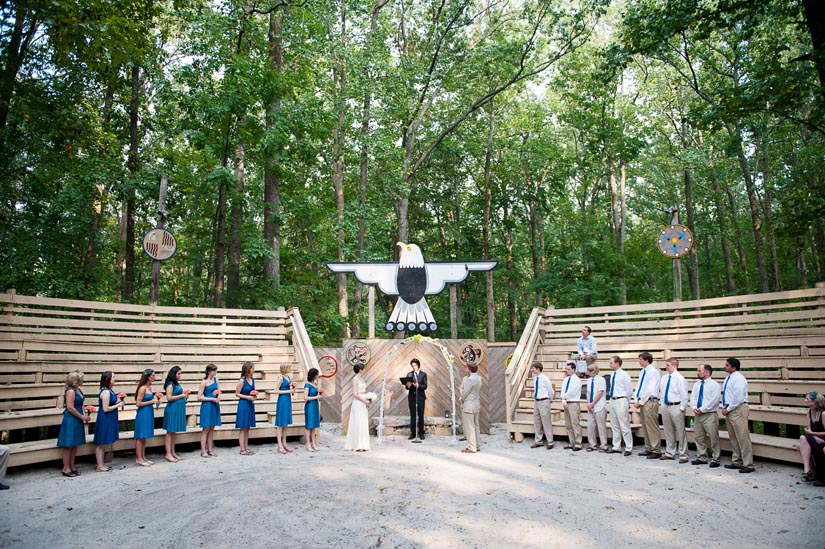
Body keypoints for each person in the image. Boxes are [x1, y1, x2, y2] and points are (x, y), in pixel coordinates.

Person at [721, 357, 754, 473]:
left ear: (733, 367)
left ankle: (748, 464)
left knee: (742, 436)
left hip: (737, 408)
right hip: (730, 409)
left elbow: (738, 397)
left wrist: (728, 408)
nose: (725, 367)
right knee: (734, 436)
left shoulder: (739, 378)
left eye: (727, 365)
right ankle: (737, 460)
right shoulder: (728, 378)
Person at [57, 370, 90, 477]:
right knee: (69, 444)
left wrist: (84, 415)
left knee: (75, 444)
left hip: (78, 418)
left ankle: (72, 465)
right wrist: (81, 416)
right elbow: (70, 407)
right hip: (71, 419)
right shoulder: (70, 391)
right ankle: (66, 468)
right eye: (81, 379)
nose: (83, 381)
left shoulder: (78, 390)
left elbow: (81, 404)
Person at [690, 363, 722, 468]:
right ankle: (702, 456)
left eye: (699, 371)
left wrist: (702, 409)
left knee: (713, 437)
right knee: (699, 436)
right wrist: (694, 407)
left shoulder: (715, 385)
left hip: (709, 414)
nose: (697, 372)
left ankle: (716, 458)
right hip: (698, 414)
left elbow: (714, 400)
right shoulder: (697, 384)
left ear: (707, 372)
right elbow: (693, 397)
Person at [659, 358, 689, 463]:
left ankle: (683, 454)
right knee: (668, 430)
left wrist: (682, 408)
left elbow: (684, 394)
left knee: (680, 431)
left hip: (676, 405)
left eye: (668, 365)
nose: (666, 367)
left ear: (674, 365)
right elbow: (662, 392)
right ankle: (670, 452)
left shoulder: (680, 378)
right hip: (666, 405)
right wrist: (662, 404)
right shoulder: (664, 378)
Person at [93, 371, 124, 472]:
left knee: (103, 442)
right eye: (113, 377)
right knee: (101, 441)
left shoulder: (110, 390)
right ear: (107, 379)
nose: (115, 379)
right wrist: (118, 405)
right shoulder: (105, 391)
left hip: (110, 417)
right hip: (105, 418)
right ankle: (100, 465)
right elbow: (105, 408)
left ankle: (101, 464)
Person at [634, 352, 661, 459]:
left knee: (651, 426)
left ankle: (656, 449)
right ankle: (648, 447)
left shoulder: (653, 372)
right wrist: (636, 399)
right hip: (642, 400)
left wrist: (641, 401)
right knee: (645, 425)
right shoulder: (642, 372)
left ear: (647, 360)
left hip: (649, 400)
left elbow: (649, 389)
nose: (639, 361)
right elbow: (640, 386)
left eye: (641, 359)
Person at [607, 356, 633, 455]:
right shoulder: (613, 374)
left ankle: (628, 447)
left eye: (611, 362)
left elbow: (629, 389)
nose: (610, 364)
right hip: (613, 399)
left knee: (624, 424)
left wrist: (626, 400)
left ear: (617, 363)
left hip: (621, 399)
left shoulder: (624, 374)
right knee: (614, 424)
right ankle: (616, 446)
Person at [162, 366, 188, 463]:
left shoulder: (176, 384)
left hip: (178, 408)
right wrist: (181, 395)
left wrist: (184, 396)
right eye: (178, 374)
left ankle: (173, 452)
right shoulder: (170, 384)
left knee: (173, 432)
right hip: (172, 409)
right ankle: (168, 453)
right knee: (170, 432)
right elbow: (169, 398)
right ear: (174, 374)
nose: (180, 376)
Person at [797, 392, 825, 481]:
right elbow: (808, 430)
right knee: (800, 443)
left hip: (823, 440)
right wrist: (813, 435)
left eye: (807, 399)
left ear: (814, 402)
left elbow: (810, 432)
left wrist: (814, 435)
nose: (804, 400)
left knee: (802, 440)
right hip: (814, 438)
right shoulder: (809, 411)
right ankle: (810, 471)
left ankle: (809, 472)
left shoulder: (823, 414)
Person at [134, 369, 159, 467]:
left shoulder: (149, 387)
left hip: (149, 412)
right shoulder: (142, 388)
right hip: (143, 413)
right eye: (152, 375)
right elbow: (138, 403)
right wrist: (151, 402)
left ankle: (143, 457)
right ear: (147, 377)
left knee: (144, 436)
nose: (154, 377)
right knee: (140, 436)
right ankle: (139, 458)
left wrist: (155, 402)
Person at [344, 363, 371, 452]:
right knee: (358, 422)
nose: (364, 370)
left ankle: (363, 444)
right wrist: (364, 400)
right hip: (358, 402)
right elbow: (355, 394)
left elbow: (363, 391)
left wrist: (368, 397)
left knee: (362, 422)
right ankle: (357, 444)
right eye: (363, 369)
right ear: (360, 370)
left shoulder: (361, 379)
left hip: (363, 401)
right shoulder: (355, 379)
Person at [198, 364, 222, 458]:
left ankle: (210, 449)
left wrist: (218, 397)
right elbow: (199, 397)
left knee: (212, 428)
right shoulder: (204, 382)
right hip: (207, 405)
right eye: (214, 371)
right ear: (209, 372)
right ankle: (203, 451)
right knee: (206, 429)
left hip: (215, 405)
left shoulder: (216, 380)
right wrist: (211, 399)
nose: (215, 372)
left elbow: (219, 391)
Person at [234, 362, 257, 456]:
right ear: (248, 369)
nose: (254, 370)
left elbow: (252, 391)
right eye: (253, 368)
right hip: (243, 404)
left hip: (250, 404)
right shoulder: (242, 381)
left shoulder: (252, 380)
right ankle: (242, 449)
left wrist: (254, 396)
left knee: (247, 427)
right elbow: (237, 393)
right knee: (243, 427)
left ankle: (246, 447)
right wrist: (247, 397)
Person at [531, 362, 554, 449]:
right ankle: (538, 440)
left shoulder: (545, 378)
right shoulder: (535, 379)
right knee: (537, 421)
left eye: (534, 368)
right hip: (537, 400)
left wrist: (550, 399)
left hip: (544, 400)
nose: (532, 370)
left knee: (546, 421)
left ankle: (550, 441)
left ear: (538, 369)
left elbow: (550, 390)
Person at [460, 364, 482, 454]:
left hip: (469, 405)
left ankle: (472, 447)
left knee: (470, 427)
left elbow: (466, 392)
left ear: (469, 370)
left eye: (467, 368)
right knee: (476, 426)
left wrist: (462, 399)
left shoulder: (470, 379)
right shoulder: (479, 378)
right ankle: (477, 445)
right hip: (476, 404)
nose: (466, 369)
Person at [586, 363, 608, 452]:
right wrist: (589, 403)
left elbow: (600, 392)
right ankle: (592, 444)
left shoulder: (601, 380)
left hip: (599, 405)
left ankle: (604, 445)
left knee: (601, 426)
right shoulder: (589, 380)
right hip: (591, 405)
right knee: (591, 425)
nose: (588, 372)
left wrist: (593, 403)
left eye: (589, 371)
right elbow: (588, 392)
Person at [561, 361, 583, 451]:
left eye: (569, 369)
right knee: (568, 424)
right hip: (566, 402)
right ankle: (571, 442)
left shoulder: (577, 380)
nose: (567, 371)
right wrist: (563, 399)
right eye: (566, 369)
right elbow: (563, 390)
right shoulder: (566, 379)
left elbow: (573, 391)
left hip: (573, 402)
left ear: (573, 369)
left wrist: (564, 397)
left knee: (575, 423)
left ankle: (578, 443)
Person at [405, 358, 428, 441]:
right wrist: (408, 385)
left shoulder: (423, 374)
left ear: (418, 365)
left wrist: (418, 385)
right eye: (412, 366)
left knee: (421, 415)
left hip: (421, 397)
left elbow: (425, 386)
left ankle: (421, 432)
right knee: (413, 415)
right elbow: (407, 388)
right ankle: (413, 433)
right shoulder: (409, 374)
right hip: (412, 397)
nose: (414, 367)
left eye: (415, 365)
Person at [274, 363, 295, 454]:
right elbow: (276, 390)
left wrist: (293, 390)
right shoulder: (281, 378)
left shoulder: (288, 378)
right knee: (280, 424)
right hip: (282, 400)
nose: (290, 368)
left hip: (287, 400)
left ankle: (284, 443)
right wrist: (288, 391)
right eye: (289, 367)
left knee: (285, 424)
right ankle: (279, 445)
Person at [304, 368, 323, 452]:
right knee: (309, 426)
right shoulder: (307, 385)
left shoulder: (315, 384)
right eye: (317, 374)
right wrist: (316, 397)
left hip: (315, 406)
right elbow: (305, 397)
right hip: (309, 406)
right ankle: (308, 443)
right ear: (314, 375)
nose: (318, 376)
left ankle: (314, 443)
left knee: (314, 426)